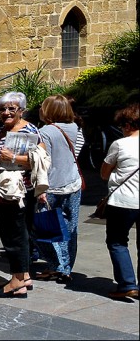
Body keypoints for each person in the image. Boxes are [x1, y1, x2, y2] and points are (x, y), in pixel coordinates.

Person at [0, 91, 44, 297]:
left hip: (15, 192)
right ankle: (24, 276)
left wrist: (13, 157)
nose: (6, 112)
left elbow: (40, 160)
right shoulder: (5, 129)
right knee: (20, 234)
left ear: (22, 110)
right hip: (5, 189)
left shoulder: (28, 130)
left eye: (12, 108)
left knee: (13, 236)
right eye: (2, 109)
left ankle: (17, 282)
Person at [35, 94, 84, 283]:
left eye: (43, 107)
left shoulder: (45, 132)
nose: (40, 110)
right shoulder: (74, 127)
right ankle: (67, 268)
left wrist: (40, 189)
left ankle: (57, 266)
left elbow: (43, 162)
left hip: (52, 186)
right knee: (70, 228)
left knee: (43, 228)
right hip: (73, 183)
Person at [101, 102, 139, 301]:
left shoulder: (120, 144)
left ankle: (127, 284)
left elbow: (104, 173)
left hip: (123, 201)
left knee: (117, 242)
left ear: (128, 125)